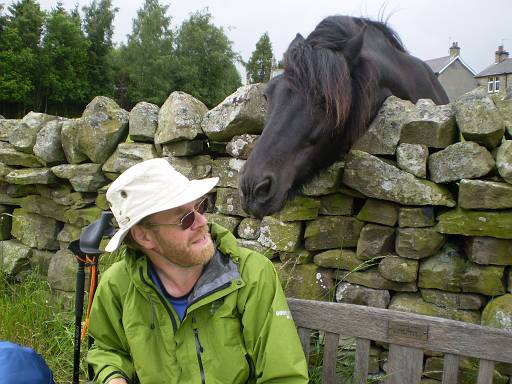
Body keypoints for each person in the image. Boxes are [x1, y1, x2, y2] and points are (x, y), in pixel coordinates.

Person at [86, 158, 309, 384]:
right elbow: (107, 349)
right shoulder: (117, 284)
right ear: (144, 236)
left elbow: (284, 376)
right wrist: (113, 377)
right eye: (185, 218)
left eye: (199, 207)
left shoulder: (252, 273)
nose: (202, 221)